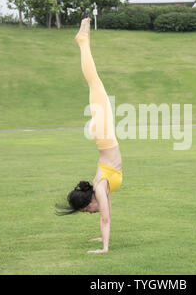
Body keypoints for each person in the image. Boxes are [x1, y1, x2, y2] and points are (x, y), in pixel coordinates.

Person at [56, 18, 122, 254]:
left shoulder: (100, 187)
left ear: (89, 201)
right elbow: (107, 217)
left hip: (104, 134)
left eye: (86, 211)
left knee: (95, 83)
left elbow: (104, 218)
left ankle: (83, 41)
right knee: (95, 84)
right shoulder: (101, 189)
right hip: (102, 135)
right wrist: (103, 240)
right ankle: (83, 41)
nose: (90, 213)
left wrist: (104, 249)